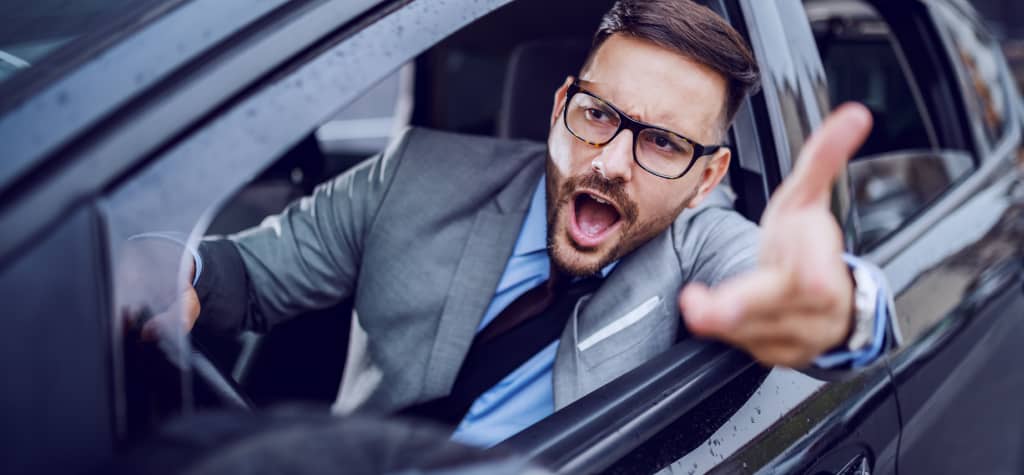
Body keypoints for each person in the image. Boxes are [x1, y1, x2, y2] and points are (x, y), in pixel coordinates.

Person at [143, 0, 892, 448]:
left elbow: (798, 291)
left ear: (707, 177)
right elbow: (246, 274)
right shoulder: (416, 173)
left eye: (663, 142)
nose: (613, 163)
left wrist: (840, 307)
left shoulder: (702, 242)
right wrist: (173, 270)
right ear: (561, 102)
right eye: (598, 116)